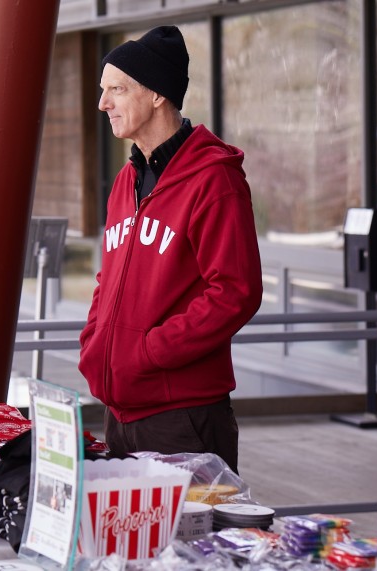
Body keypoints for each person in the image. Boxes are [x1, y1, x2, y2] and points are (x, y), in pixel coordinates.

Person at [77, 26, 263, 473]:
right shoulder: (126, 180)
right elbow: (108, 278)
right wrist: (95, 341)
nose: (103, 103)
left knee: (192, 523)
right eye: (103, 90)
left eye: (117, 90)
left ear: (158, 94)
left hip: (182, 417)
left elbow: (235, 292)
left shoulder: (214, 179)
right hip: (120, 413)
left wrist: (151, 351)